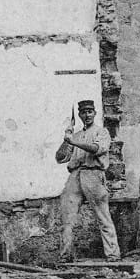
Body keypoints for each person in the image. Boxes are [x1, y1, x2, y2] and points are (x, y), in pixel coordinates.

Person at [56, 100, 121, 262]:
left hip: (94, 175)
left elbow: (97, 149)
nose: (87, 115)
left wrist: (73, 141)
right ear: (79, 115)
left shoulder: (102, 132)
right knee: (67, 218)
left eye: (90, 111)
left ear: (95, 113)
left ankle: (113, 255)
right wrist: (66, 138)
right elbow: (60, 158)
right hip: (75, 176)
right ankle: (65, 256)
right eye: (83, 112)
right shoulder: (75, 135)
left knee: (103, 217)